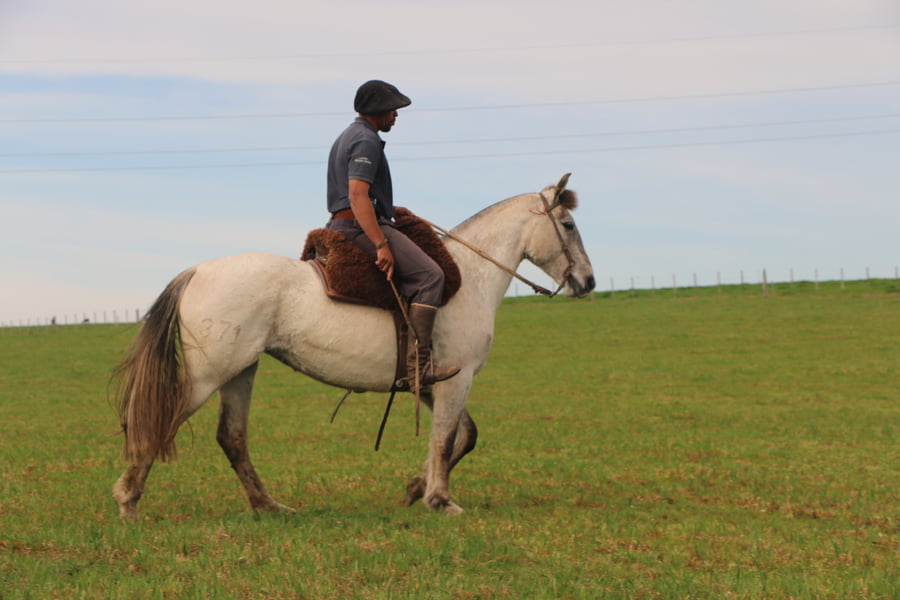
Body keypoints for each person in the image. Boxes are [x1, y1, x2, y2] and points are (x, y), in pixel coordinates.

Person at [325, 80, 460, 390]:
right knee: (430, 277)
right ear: (378, 111)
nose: (396, 115)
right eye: (393, 109)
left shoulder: (347, 135)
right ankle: (418, 370)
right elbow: (357, 195)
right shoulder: (366, 140)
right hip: (357, 227)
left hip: (342, 221)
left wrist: (390, 207)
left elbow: (357, 194)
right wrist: (381, 243)